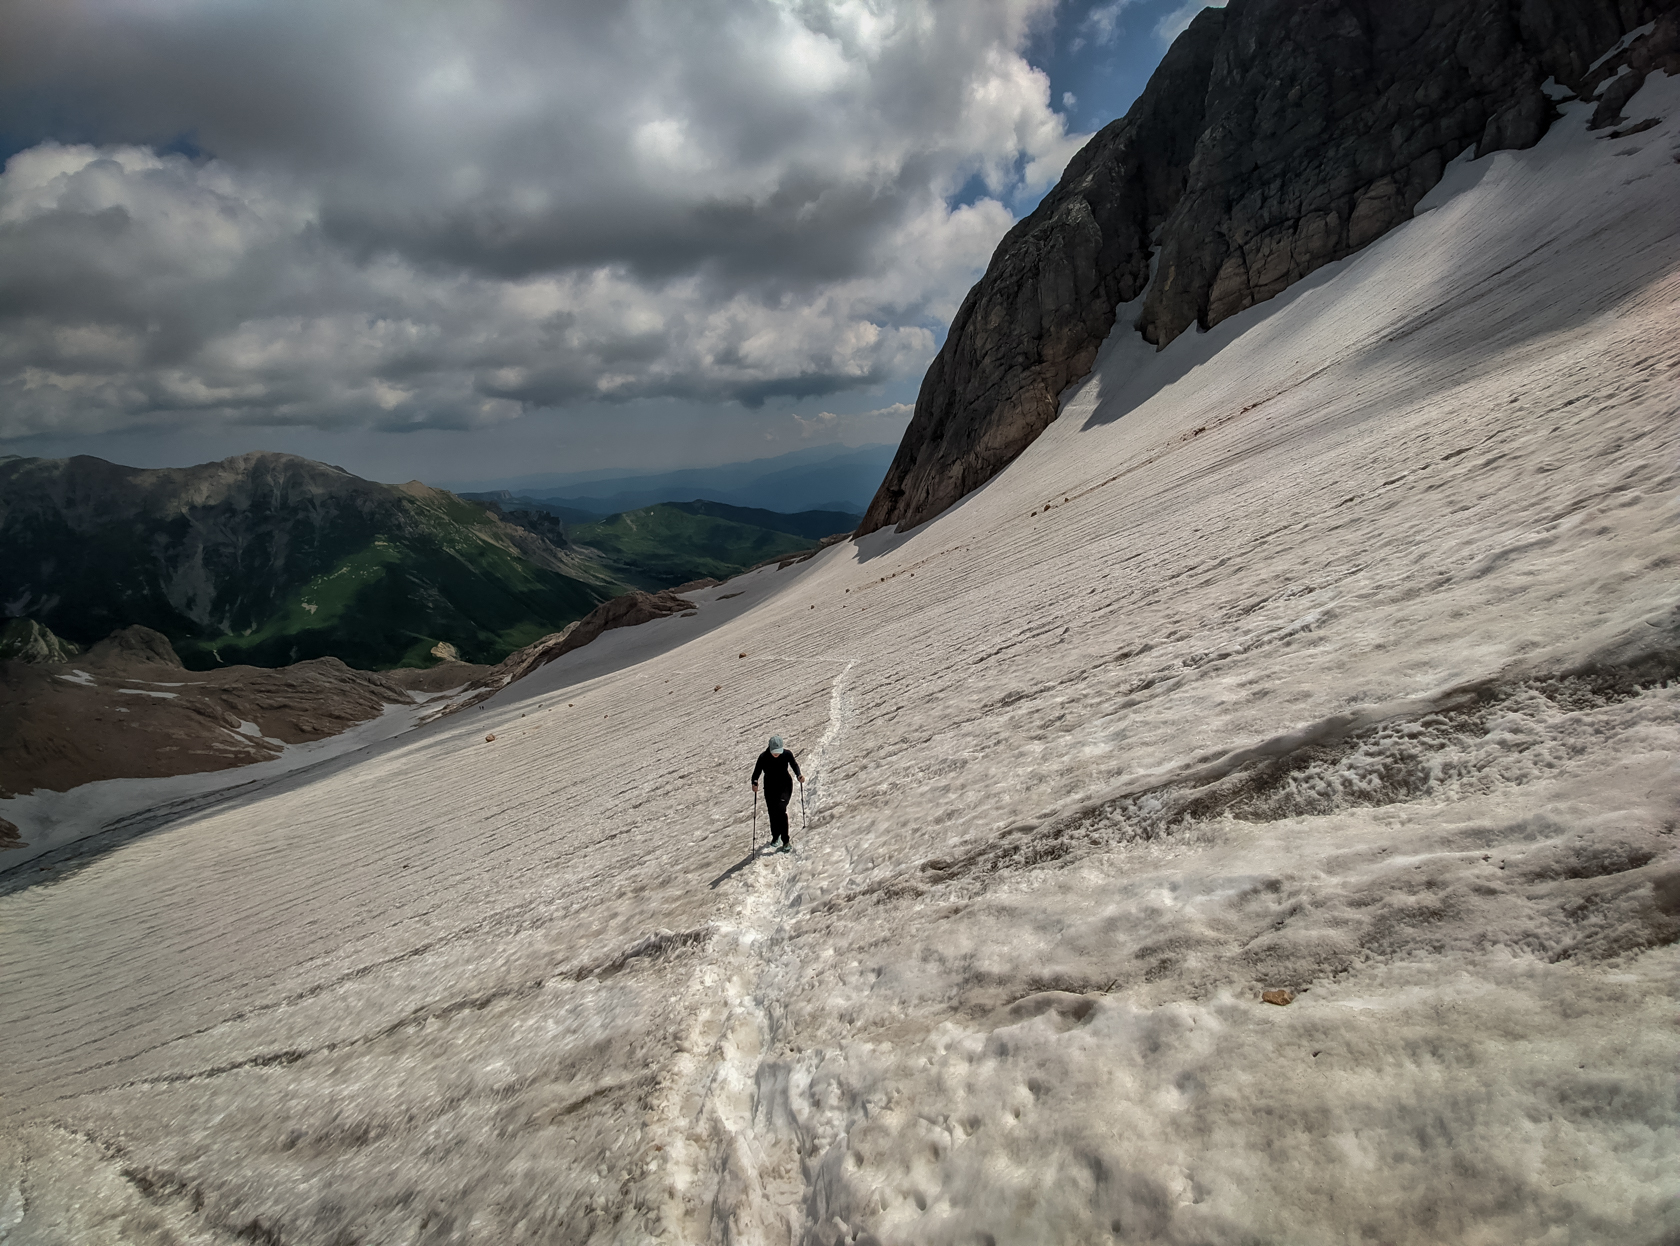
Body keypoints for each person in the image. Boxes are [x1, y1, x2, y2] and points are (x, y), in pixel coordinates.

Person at [751, 735, 803, 853]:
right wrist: (754, 782)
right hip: (770, 787)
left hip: (785, 786)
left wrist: (798, 775)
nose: (776, 754)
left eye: (778, 752)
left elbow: (794, 765)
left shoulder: (786, 754)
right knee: (772, 812)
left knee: (781, 811)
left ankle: (786, 841)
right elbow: (756, 772)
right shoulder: (763, 757)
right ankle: (775, 836)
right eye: (774, 752)